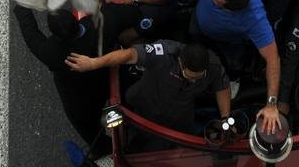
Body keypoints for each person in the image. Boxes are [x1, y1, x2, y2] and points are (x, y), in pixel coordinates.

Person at [123, 0, 281, 131]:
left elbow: (273, 59)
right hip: (199, 24)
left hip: (229, 41)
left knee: (232, 63)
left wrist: (272, 104)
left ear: (230, 10)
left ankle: (232, 78)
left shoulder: (255, 20)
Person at [67, 40, 232, 136]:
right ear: (180, 62)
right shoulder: (163, 53)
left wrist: (225, 117)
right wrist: (94, 63)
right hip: (144, 105)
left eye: (199, 78)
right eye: (189, 77)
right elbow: (130, 55)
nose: (194, 82)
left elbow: (222, 86)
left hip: (179, 117)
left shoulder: (213, 65)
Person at [13, 6, 109, 152]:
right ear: (77, 22)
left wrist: (22, 6)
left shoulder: (50, 52)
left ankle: (103, 148)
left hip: (80, 102)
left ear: (56, 35)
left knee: (86, 126)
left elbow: (31, 35)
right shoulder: (95, 26)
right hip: (104, 82)